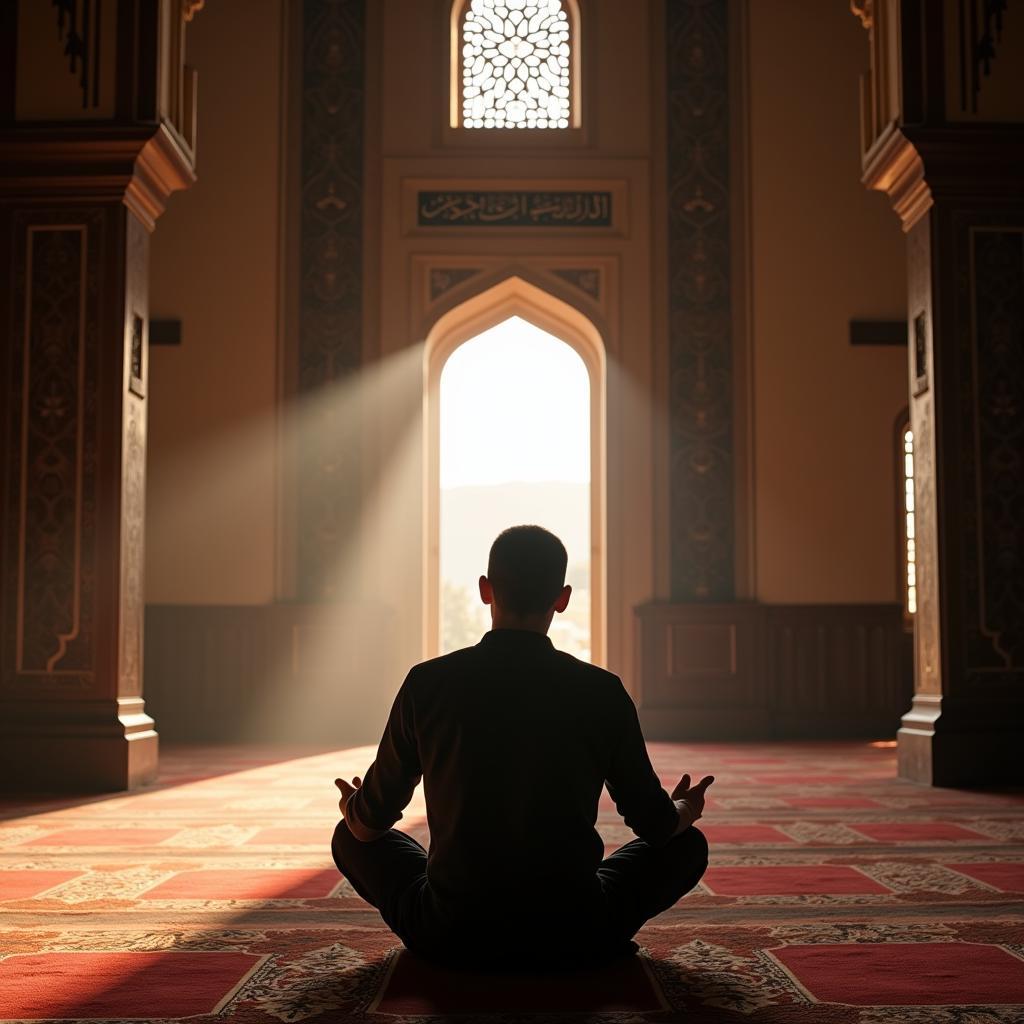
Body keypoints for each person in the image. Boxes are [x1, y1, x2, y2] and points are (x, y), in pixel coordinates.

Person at [331, 524, 712, 971]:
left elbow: (367, 830)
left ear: (485, 590)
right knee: (689, 846)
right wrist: (686, 808)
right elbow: (657, 827)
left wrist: (355, 807)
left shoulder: (428, 683)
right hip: (576, 927)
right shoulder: (601, 692)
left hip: (450, 930)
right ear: (562, 597)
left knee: (347, 839)